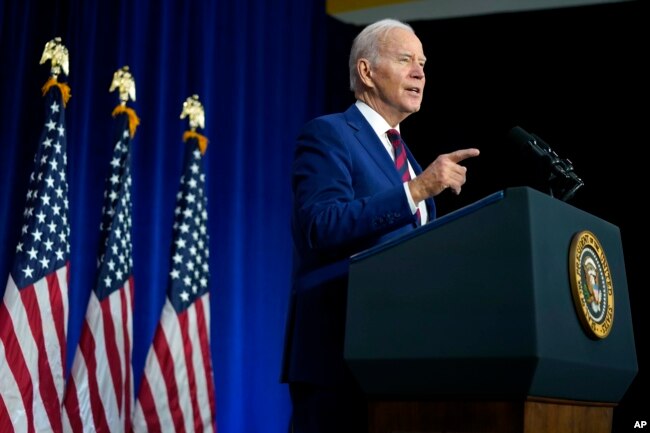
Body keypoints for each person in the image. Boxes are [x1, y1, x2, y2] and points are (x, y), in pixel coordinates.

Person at [281, 18, 480, 433]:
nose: (420, 73)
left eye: (423, 63)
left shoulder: (409, 159)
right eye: (406, 59)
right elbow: (320, 224)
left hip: (401, 365)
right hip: (338, 361)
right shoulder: (329, 134)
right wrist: (417, 190)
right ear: (366, 72)